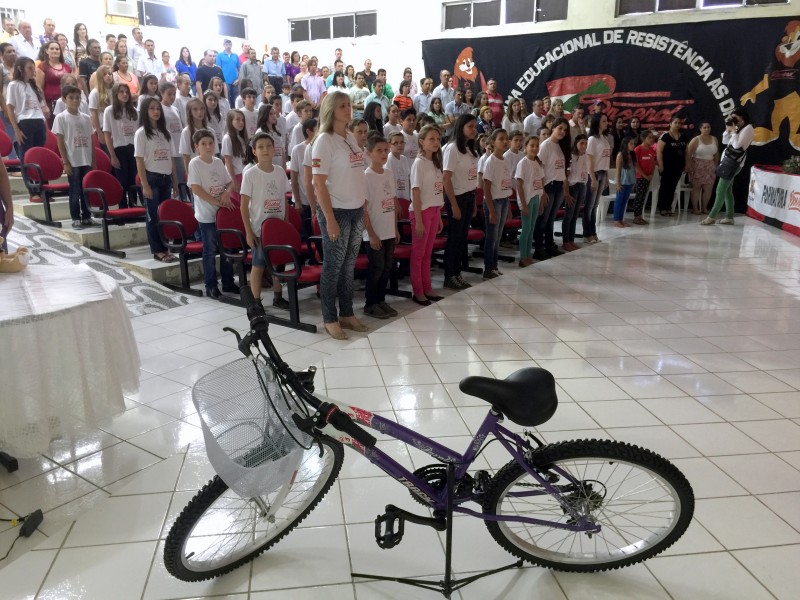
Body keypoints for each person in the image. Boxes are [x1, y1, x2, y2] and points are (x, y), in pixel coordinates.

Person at [311, 91, 369, 340]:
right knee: (333, 267)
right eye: (343, 106)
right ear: (331, 110)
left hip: (356, 208)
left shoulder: (349, 137)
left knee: (348, 266)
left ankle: (346, 312)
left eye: (349, 105)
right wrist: (330, 219)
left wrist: (363, 204)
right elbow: (318, 184)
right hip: (335, 211)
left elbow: (357, 173)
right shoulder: (324, 140)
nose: (349, 109)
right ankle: (329, 317)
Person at [241, 131, 291, 309]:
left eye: (269, 146)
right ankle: (255, 301)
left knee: (278, 263)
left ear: (274, 149)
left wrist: (286, 221)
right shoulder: (250, 174)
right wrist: (248, 231)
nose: (265, 150)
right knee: (259, 264)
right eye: (260, 147)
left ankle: (278, 296)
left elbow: (284, 198)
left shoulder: (279, 171)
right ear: (254, 151)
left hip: (277, 227)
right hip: (259, 229)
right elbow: (243, 204)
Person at [187, 128, 238, 298]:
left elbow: (229, 182)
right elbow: (196, 189)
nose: (208, 146)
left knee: (227, 248)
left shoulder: (217, 162)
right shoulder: (195, 163)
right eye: (203, 144)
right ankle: (210, 285)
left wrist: (225, 193)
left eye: (210, 143)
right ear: (197, 147)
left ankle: (228, 282)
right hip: (207, 215)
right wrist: (216, 201)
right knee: (210, 250)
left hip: (222, 214)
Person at [362, 133, 399, 319]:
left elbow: (391, 202)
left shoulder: (389, 173)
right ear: (368, 153)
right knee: (376, 269)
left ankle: (381, 300)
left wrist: (395, 228)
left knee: (386, 267)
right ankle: (370, 303)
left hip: (388, 230)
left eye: (386, 150)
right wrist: (372, 234)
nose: (384, 154)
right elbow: (364, 209)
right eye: (379, 151)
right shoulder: (366, 176)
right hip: (374, 232)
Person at [135, 97, 175, 262]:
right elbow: (139, 160)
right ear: (145, 111)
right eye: (152, 108)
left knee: (164, 216)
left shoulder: (165, 132)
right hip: (152, 178)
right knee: (153, 216)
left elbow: (171, 158)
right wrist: (145, 185)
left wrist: (175, 181)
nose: (156, 112)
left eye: (158, 109)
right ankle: (158, 250)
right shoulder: (141, 133)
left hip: (166, 178)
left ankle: (166, 247)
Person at [408, 124, 444, 304]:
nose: (436, 142)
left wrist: (437, 216)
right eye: (431, 139)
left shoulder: (436, 162)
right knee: (418, 254)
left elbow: (437, 192)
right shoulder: (419, 163)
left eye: (438, 139)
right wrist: (419, 221)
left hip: (434, 210)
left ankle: (427, 287)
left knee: (428, 253)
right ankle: (418, 290)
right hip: (420, 212)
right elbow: (415, 192)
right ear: (421, 142)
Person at [442, 113, 478, 290]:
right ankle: (449, 275)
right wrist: (454, 204)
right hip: (457, 198)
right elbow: (446, 178)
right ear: (461, 127)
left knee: (462, 239)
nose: (473, 130)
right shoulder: (452, 148)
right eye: (470, 126)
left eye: (474, 126)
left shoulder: (470, 148)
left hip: (469, 196)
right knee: (454, 239)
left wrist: (474, 202)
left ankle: (457, 273)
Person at [701, 106, 753, 226]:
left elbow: (737, 146)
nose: (733, 119)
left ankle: (712, 216)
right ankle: (729, 217)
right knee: (727, 191)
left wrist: (734, 131)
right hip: (727, 161)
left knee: (720, 189)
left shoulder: (748, 129)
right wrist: (727, 130)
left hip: (734, 163)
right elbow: (725, 141)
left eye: (735, 117)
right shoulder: (738, 127)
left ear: (741, 116)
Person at [53, 84, 96, 229]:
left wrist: (93, 161)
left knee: (86, 190)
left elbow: (91, 141)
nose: (75, 101)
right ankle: (76, 217)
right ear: (64, 99)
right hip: (73, 160)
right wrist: (65, 162)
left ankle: (87, 216)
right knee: (75, 190)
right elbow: (60, 142)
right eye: (71, 98)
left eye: (77, 98)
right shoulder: (61, 118)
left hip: (86, 159)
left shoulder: (86, 118)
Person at [533, 118, 572, 261]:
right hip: (548, 186)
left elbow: (561, 169)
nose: (562, 132)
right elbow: (539, 170)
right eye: (560, 128)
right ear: (553, 127)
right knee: (542, 219)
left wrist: (564, 187)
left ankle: (549, 245)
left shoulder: (560, 146)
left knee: (550, 220)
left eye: (565, 130)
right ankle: (538, 248)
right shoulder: (545, 146)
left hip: (558, 186)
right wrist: (542, 192)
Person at [481, 128, 513, 279]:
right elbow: (486, 187)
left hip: (504, 199)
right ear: (493, 142)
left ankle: (494, 266)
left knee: (498, 237)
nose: (505, 141)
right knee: (492, 237)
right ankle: (488, 268)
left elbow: (506, 183)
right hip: (493, 201)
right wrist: (492, 210)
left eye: (507, 138)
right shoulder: (490, 161)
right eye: (501, 139)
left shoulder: (506, 160)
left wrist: (509, 208)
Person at [103, 83, 138, 208]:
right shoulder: (110, 111)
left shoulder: (134, 111)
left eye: (127, 92)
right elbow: (107, 134)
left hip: (133, 149)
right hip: (119, 149)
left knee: (133, 179)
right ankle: (122, 207)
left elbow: (138, 133)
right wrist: (112, 155)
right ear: (115, 94)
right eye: (121, 92)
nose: (125, 94)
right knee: (122, 181)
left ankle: (133, 206)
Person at [7, 57, 48, 159]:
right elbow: (10, 108)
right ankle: (27, 175)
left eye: (33, 68)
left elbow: (41, 107)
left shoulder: (34, 85)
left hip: (39, 121)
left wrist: (44, 124)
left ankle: (37, 175)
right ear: (20, 69)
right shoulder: (14, 85)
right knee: (26, 155)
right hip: (25, 122)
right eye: (29, 68)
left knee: (38, 154)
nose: (33, 71)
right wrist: (16, 129)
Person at [515, 135, 545, 267]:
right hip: (527, 199)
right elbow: (519, 185)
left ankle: (528, 255)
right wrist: (523, 204)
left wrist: (541, 199)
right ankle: (523, 257)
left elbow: (540, 182)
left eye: (536, 145)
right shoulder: (523, 163)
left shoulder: (537, 163)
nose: (534, 148)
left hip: (535, 198)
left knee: (531, 229)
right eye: (531, 145)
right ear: (525, 147)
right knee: (526, 229)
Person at [582, 112, 610, 244]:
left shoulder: (604, 138)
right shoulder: (592, 139)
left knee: (595, 205)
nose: (606, 123)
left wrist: (607, 175)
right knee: (589, 205)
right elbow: (589, 159)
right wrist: (592, 177)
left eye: (606, 121)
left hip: (602, 173)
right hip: (594, 174)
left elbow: (606, 158)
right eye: (604, 121)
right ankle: (587, 234)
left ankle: (593, 232)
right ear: (597, 122)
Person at [290, 118, 317, 240]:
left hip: (319, 198)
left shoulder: (321, 147)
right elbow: (294, 178)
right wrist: (298, 201)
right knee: (307, 233)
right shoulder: (298, 149)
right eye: (318, 129)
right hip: (304, 199)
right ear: (309, 131)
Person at [685, 122, 719, 215]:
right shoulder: (696, 140)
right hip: (697, 165)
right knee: (697, 187)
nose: (707, 129)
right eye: (704, 127)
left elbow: (716, 154)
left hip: (710, 166)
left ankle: (704, 208)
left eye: (708, 127)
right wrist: (688, 165)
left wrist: (716, 165)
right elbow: (688, 153)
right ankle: (695, 208)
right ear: (700, 129)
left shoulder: (714, 139)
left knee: (708, 188)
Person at [656, 116, 687, 217]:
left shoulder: (682, 136)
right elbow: (659, 151)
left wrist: (687, 164)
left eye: (679, 123)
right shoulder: (665, 136)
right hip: (667, 165)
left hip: (678, 166)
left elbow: (686, 152)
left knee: (672, 187)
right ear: (670, 123)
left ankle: (668, 207)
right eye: (675, 123)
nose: (678, 125)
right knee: (665, 186)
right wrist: (660, 164)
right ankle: (662, 207)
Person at [562, 134, 588, 250]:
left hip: (581, 185)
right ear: (576, 143)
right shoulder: (570, 157)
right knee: (569, 215)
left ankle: (571, 239)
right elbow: (565, 176)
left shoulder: (584, 156)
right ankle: (565, 241)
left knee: (575, 215)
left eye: (585, 144)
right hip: (572, 187)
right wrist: (566, 192)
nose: (584, 146)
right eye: (581, 143)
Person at [160, 81, 184, 197]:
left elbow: (181, 128)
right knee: (176, 179)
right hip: (170, 150)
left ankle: (185, 200)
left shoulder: (175, 109)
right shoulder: (159, 109)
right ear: (161, 93)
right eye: (169, 94)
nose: (172, 97)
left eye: (174, 94)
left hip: (180, 148)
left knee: (182, 178)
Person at [35, 40, 70, 121]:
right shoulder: (42, 66)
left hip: (66, 102)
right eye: (52, 48)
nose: (55, 51)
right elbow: (39, 87)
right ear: (47, 51)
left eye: (57, 49)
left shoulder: (66, 67)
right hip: (50, 104)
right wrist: (44, 105)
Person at [632, 129, 658, 225]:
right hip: (640, 177)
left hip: (648, 176)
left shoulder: (651, 149)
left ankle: (640, 216)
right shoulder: (638, 149)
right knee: (639, 196)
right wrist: (644, 175)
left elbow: (653, 163)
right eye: (649, 137)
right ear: (643, 138)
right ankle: (636, 216)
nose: (652, 139)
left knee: (643, 196)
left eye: (653, 138)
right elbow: (636, 164)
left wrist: (651, 174)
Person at [179, 97, 208, 175]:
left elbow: (214, 154)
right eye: (195, 109)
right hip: (195, 171)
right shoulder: (186, 132)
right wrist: (189, 176)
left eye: (202, 109)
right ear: (190, 112)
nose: (199, 112)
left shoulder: (210, 131)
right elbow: (186, 156)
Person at [613, 136, 636, 227]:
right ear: (625, 144)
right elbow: (618, 170)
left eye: (634, 144)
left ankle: (621, 219)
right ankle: (616, 220)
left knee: (624, 201)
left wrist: (633, 181)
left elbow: (633, 169)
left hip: (629, 180)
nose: (633, 145)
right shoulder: (620, 155)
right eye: (631, 144)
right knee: (619, 200)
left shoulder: (631, 154)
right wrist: (618, 183)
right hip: (622, 181)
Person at [88, 65, 113, 140]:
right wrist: (99, 132)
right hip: (103, 126)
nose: (108, 76)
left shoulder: (115, 90)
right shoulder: (95, 92)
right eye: (105, 74)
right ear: (100, 77)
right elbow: (94, 114)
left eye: (110, 74)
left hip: (115, 125)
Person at [386, 131, 411, 201]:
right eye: (396, 143)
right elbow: (388, 183)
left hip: (405, 197)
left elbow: (408, 179)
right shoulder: (389, 159)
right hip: (395, 199)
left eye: (402, 142)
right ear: (389, 145)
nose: (400, 145)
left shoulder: (404, 159)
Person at [216, 39, 240, 103]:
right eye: (226, 44)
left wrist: (238, 79)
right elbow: (218, 69)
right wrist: (221, 80)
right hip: (225, 81)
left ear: (231, 45)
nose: (228, 46)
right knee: (226, 99)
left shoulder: (235, 55)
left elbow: (239, 69)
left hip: (235, 81)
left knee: (235, 100)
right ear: (223, 45)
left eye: (229, 44)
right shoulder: (219, 55)